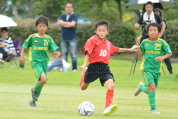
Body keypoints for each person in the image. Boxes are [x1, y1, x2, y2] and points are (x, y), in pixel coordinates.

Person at [79, 21, 139, 116]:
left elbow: (116, 49)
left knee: (111, 85)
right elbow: (88, 53)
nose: (101, 32)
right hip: (93, 67)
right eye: (99, 30)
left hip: (104, 68)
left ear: (107, 32)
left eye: (103, 30)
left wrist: (130, 49)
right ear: (96, 31)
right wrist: (84, 65)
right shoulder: (92, 40)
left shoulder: (108, 43)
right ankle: (84, 74)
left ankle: (107, 107)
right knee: (83, 87)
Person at [20, 16, 61, 107]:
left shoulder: (48, 39)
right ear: (36, 27)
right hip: (35, 62)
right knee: (43, 79)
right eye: (40, 26)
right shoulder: (32, 37)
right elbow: (24, 46)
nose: (42, 28)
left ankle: (32, 102)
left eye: (44, 26)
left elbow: (53, 51)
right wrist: (21, 56)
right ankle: (34, 90)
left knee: (42, 83)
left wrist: (57, 53)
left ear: (47, 27)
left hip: (44, 63)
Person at [134, 23, 172, 114]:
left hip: (157, 70)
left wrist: (162, 57)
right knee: (152, 86)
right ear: (147, 33)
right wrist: (137, 44)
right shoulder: (145, 42)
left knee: (151, 89)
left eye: (155, 30)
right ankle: (153, 109)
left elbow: (169, 53)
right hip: (146, 69)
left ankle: (141, 87)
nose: (152, 32)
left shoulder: (162, 42)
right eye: (150, 30)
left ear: (159, 32)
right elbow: (140, 55)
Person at [58, 3, 78, 71]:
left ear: (72, 8)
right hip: (63, 38)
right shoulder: (62, 15)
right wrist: (68, 23)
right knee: (64, 54)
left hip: (72, 38)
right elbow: (59, 23)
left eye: (70, 7)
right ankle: (65, 68)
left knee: (73, 55)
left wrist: (64, 23)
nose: (68, 8)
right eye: (67, 7)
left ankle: (74, 68)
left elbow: (73, 24)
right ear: (65, 8)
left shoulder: (74, 16)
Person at [153, 8, 173, 74]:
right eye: (155, 12)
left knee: (165, 55)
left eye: (158, 12)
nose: (156, 13)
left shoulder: (163, 21)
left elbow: (164, 27)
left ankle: (170, 71)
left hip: (161, 40)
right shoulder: (151, 22)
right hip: (153, 41)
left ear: (160, 13)